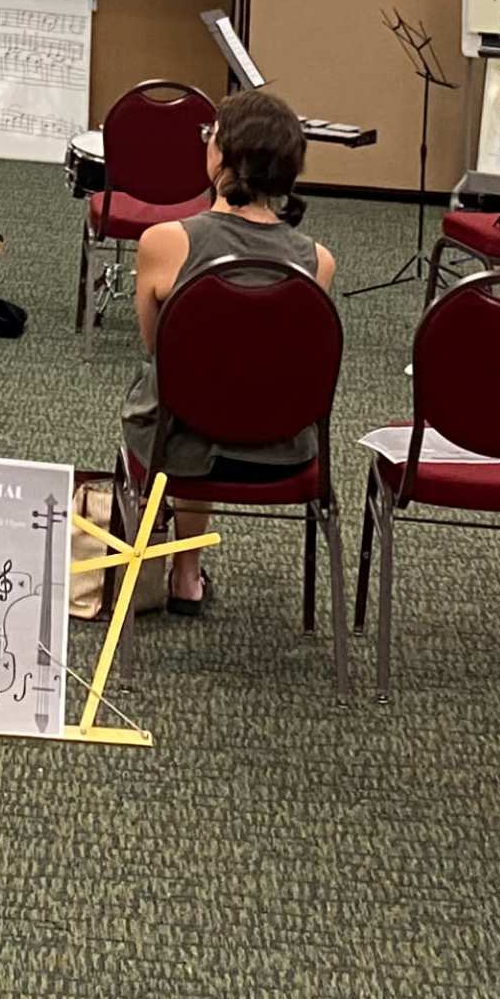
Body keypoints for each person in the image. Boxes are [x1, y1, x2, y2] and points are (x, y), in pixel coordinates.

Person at [121, 88, 334, 614]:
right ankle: (187, 572)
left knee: (184, 402)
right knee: (218, 398)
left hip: (179, 448)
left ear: (221, 154)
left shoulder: (164, 241)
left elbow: (157, 351)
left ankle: (185, 572)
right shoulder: (318, 261)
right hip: (283, 453)